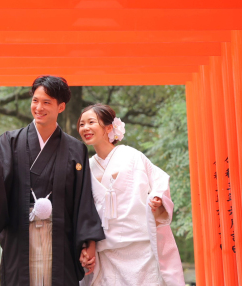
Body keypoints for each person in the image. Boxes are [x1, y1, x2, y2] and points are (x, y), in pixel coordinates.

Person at [0, 75, 105, 286]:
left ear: (61, 107)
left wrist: (88, 242)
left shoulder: (75, 149)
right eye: (35, 100)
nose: (39, 107)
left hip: (60, 236)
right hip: (20, 233)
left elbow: (83, 199)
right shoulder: (9, 141)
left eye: (46, 102)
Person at [76, 104, 184, 286]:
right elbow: (83, 211)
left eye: (91, 122)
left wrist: (157, 198)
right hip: (107, 253)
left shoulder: (132, 156)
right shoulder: (86, 167)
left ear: (108, 127)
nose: (85, 128)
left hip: (141, 249)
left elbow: (159, 179)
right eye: (81, 124)